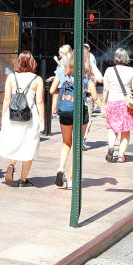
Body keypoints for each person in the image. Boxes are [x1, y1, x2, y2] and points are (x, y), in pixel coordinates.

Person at [0, 51, 45, 186]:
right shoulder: (37, 80)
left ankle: (11, 165)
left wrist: (3, 117)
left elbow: (7, 99)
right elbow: (39, 102)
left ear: (18, 62)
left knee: (15, 142)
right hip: (30, 117)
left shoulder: (11, 77)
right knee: (29, 146)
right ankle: (23, 179)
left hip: (12, 116)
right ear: (32, 63)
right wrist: (42, 120)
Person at [49, 50, 99, 189]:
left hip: (65, 109)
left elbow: (52, 90)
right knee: (77, 146)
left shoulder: (62, 71)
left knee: (66, 143)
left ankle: (60, 168)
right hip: (80, 110)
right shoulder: (87, 74)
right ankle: (70, 180)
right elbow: (94, 96)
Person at [102, 48, 133, 163]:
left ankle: (111, 147)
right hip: (126, 104)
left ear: (115, 58)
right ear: (126, 58)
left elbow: (105, 89)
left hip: (112, 102)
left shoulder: (109, 70)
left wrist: (104, 103)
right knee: (125, 131)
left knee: (112, 128)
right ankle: (121, 156)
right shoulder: (131, 71)